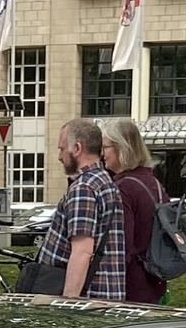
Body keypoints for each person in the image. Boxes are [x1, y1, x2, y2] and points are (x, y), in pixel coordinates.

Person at [38, 117, 125, 301]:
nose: (59, 157)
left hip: (87, 299)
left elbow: (82, 252)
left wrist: (68, 302)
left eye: (62, 149)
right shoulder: (105, 181)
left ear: (77, 149)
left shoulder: (84, 188)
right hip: (105, 293)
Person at [103, 117, 168, 304]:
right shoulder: (153, 182)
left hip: (131, 286)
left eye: (106, 147)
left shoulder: (124, 188)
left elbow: (122, 246)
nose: (102, 154)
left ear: (121, 148)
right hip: (156, 279)